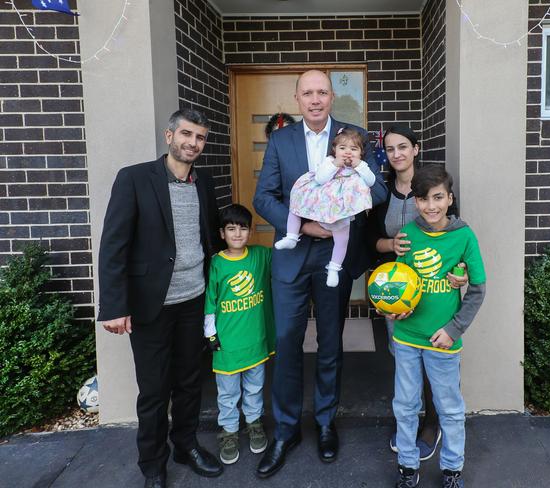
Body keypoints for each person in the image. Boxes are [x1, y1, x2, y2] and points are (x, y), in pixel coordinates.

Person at [253, 69, 388, 478]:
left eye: (322, 93)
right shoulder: (280, 140)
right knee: (287, 340)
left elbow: (379, 191)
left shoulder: (355, 136)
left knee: (331, 341)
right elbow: (264, 197)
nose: (315, 100)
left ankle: (327, 422)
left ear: (332, 98)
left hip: (336, 255)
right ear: (297, 98)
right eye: (307, 93)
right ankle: (287, 429)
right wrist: (307, 225)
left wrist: (349, 205)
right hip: (293, 258)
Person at [98, 109, 223, 488]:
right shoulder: (135, 178)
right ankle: (153, 464)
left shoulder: (204, 182)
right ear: (169, 136)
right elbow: (113, 245)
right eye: (186, 134)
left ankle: (185, 444)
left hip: (193, 300)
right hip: (150, 305)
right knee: (154, 390)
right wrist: (115, 306)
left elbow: (210, 238)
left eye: (200, 137)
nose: (193, 143)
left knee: (189, 381)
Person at [367, 125, 468, 461]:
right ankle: (409, 422)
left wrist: (460, 273)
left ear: (416, 148)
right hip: (397, 292)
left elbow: (455, 239)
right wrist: (390, 243)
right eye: (391, 148)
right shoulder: (380, 194)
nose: (397, 154)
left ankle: (432, 423)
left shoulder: (434, 188)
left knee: (435, 361)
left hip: (435, 294)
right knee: (405, 360)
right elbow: (370, 242)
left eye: (403, 147)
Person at [389, 165, 486, 488]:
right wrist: (395, 310)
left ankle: (452, 469)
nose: (431, 206)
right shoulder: (407, 235)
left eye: (438, 198)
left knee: (450, 408)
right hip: (406, 337)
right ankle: (407, 466)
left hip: (443, 340)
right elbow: (399, 284)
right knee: (404, 405)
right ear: (415, 202)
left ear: (449, 198)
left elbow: (477, 289)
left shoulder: (464, 236)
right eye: (424, 199)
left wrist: (454, 328)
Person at [203, 204, 275, 466]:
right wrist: (210, 333)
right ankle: (229, 431)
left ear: (250, 231)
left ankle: (254, 423)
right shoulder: (217, 263)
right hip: (227, 344)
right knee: (228, 392)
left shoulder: (259, 255)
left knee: (255, 387)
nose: (237, 234)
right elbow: (210, 299)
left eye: (242, 228)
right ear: (222, 233)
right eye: (231, 229)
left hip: (254, 340)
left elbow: (286, 252)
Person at [275, 127, 376, 287]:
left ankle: (334, 268)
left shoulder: (360, 166)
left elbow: (371, 181)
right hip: (319, 205)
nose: (348, 152)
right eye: (343, 148)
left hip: (340, 210)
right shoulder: (329, 161)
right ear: (334, 150)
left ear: (361, 152)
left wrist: (359, 166)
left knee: (342, 240)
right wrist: (336, 163)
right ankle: (291, 236)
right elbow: (321, 178)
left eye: (354, 149)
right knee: (296, 206)